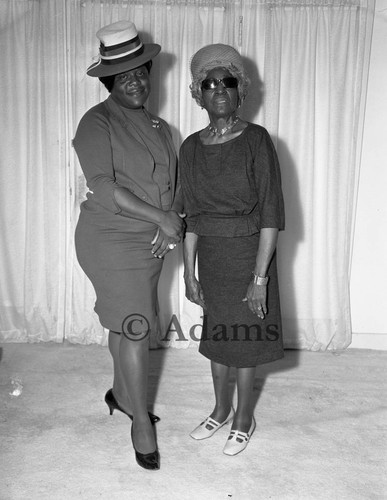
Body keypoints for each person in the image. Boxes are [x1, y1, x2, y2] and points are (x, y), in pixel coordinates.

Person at [73, 20, 184, 470]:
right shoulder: (96, 123)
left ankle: (120, 394)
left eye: (141, 71)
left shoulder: (161, 126)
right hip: (110, 239)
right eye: (124, 77)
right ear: (108, 82)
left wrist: (170, 219)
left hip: (152, 240)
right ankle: (141, 421)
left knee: (125, 324)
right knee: (137, 324)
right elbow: (101, 185)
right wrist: (161, 217)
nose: (136, 81)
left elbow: (177, 184)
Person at [180, 44, 285, 456]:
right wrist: (189, 274)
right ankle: (221, 408)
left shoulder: (257, 140)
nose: (218, 89)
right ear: (198, 94)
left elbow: (272, 214)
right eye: (209, 83)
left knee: (245, 341)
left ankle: (244, 416)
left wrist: (260, 278)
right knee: (217, 335)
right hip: (212, 256)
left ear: (241, 91)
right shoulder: (189, 147)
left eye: (227, 81)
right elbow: (188, 217)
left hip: (249, 254)